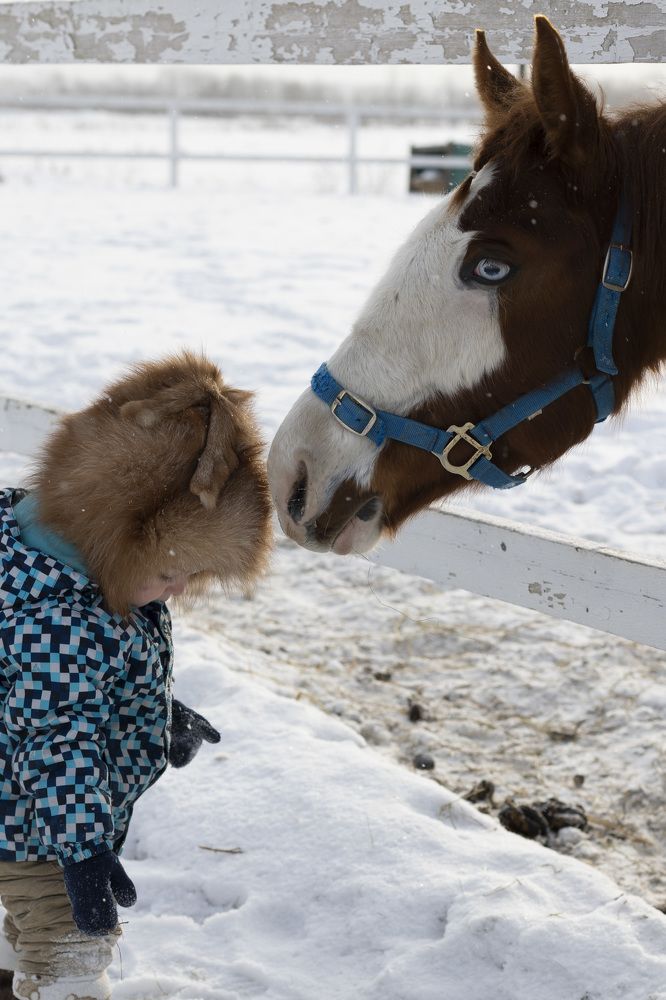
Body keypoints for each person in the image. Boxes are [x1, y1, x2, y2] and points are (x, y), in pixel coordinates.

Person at [0, 351, 272, 1000]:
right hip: (35, 831)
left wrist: (152, 714)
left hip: (31, 809)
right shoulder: (60, 616)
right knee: (71, 949)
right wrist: (86, 851)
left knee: (21, 944)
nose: (178, 589)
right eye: (172, 568)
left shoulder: (66, 564)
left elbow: (60, 691)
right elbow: (57, 741)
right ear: (117, 533)